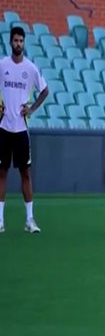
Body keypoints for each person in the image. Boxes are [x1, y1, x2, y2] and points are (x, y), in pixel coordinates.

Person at [0, 26, 49, 234]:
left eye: (21, 41)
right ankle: (0, 220)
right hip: (3, 128)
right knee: (1, 173)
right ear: (10, 42)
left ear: (24, 43)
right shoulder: (2, 65)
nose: (18, 44)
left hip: (21, 129)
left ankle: (29, 219)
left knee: (25, 174)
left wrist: (32, 108)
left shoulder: (30, 68)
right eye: (15, 40)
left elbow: (45, 90)